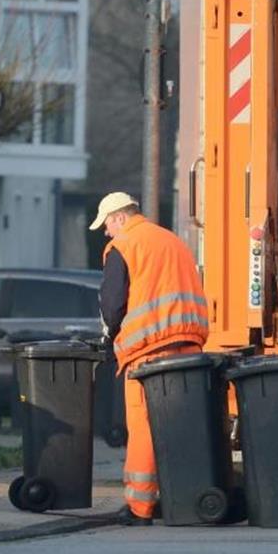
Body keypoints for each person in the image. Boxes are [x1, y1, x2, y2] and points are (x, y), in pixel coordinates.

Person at [91, 192, 209, 526]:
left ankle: (141, 506)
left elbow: (113, 304)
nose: (105, 233)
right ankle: (186, 499)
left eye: (106, 225)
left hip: (148, 349)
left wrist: (109, 336)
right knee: (182, 425)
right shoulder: (171, 240)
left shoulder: (124, 246)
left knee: (144, 425)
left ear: (120, 218)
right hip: (189, 343)